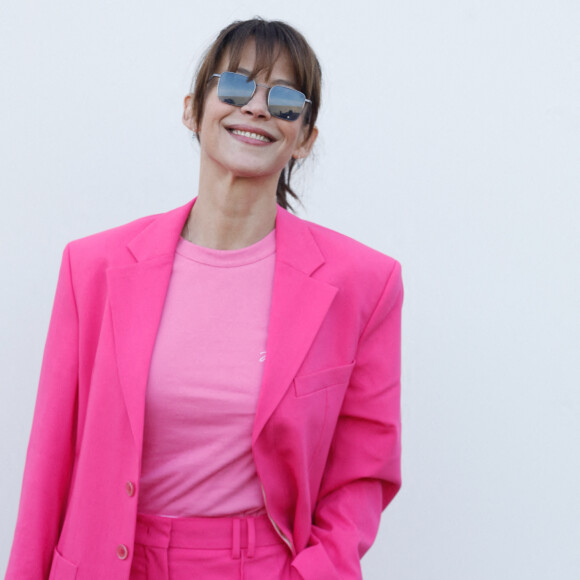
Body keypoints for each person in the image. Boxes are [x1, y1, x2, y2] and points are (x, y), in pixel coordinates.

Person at [6, 18, 403, 580]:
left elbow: (362, 473)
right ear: (193, 109)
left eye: (286, 100)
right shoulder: (93, 268)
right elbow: (50, 463)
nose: (259, 108)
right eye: (238, 86)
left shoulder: (364, 283)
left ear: (306, 137)